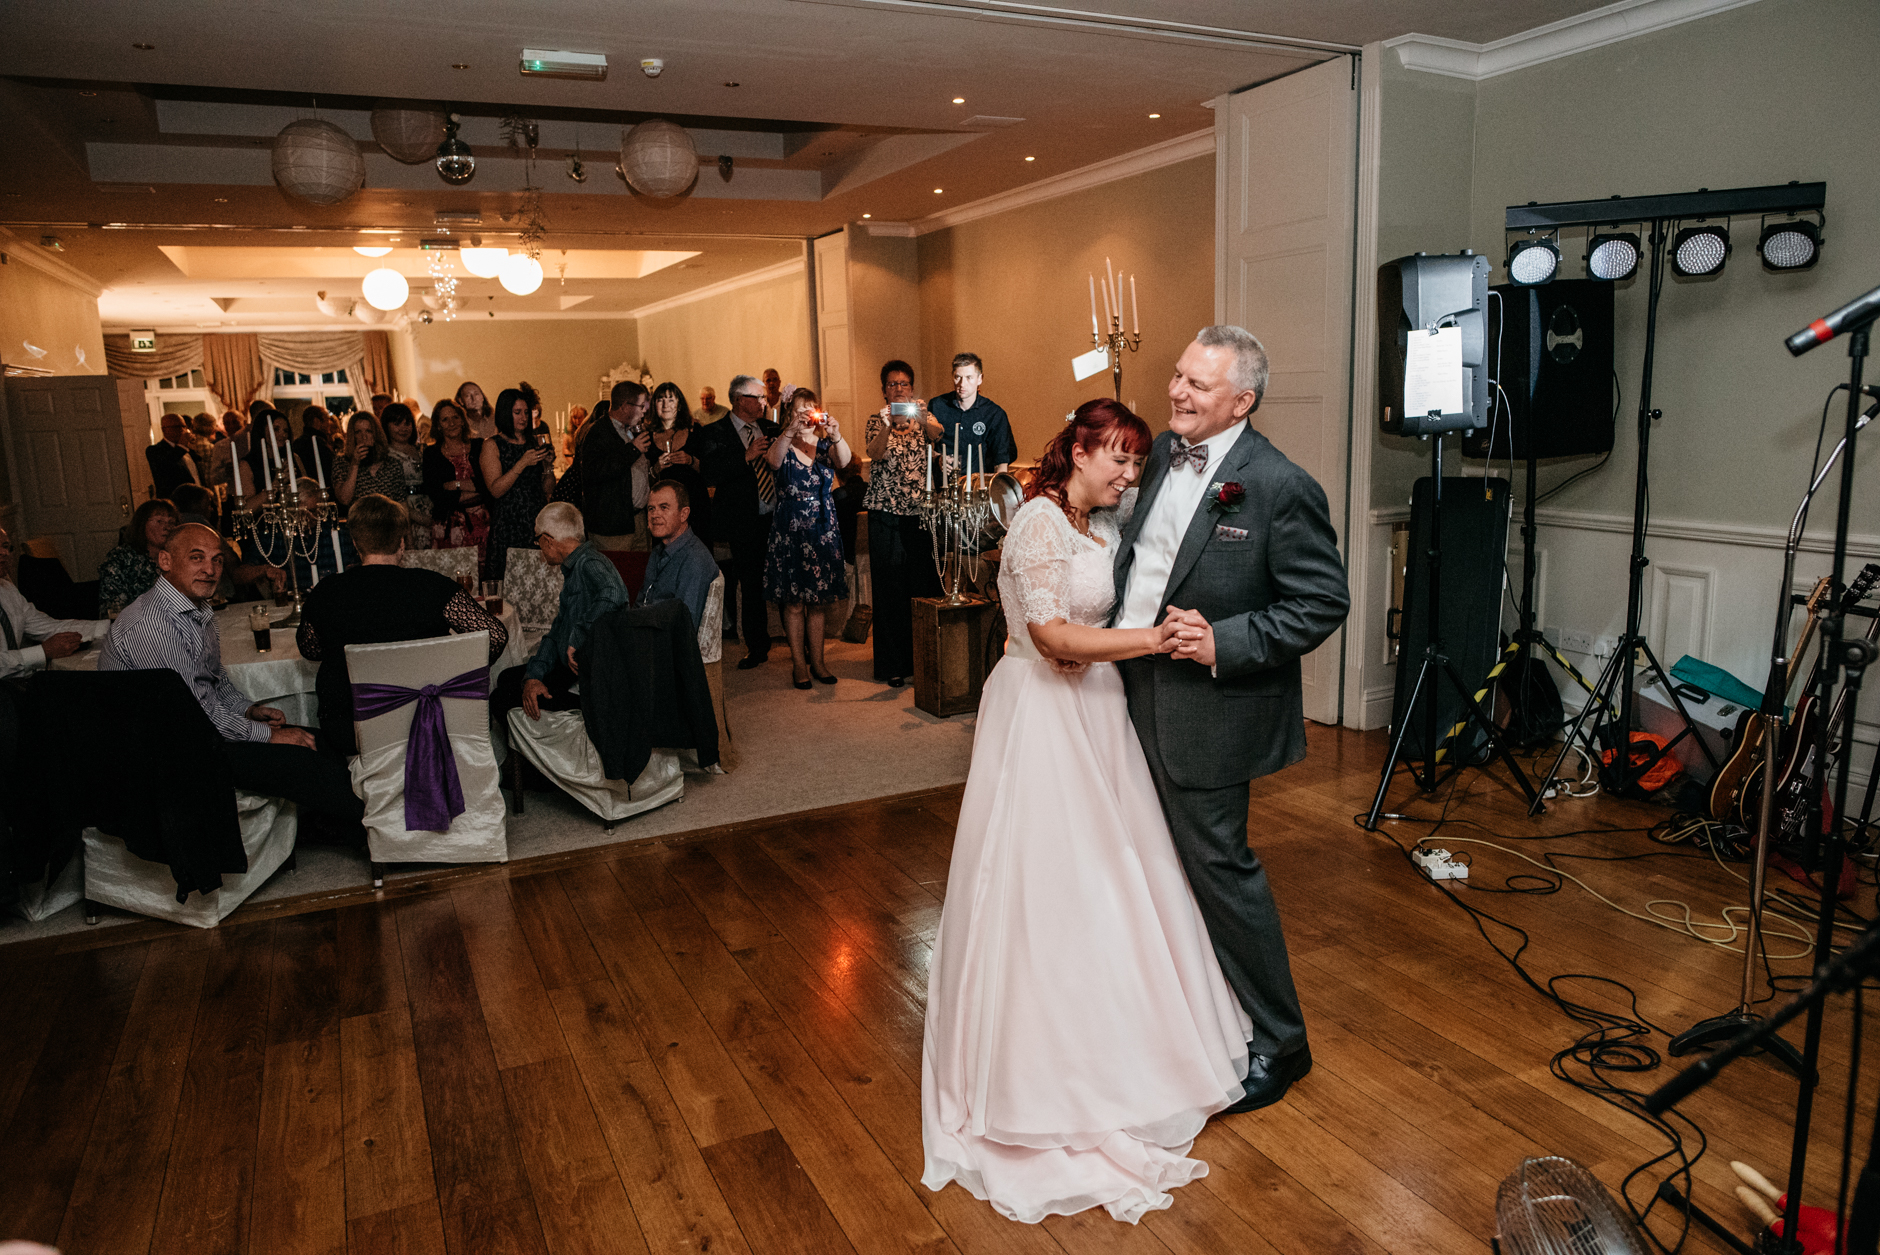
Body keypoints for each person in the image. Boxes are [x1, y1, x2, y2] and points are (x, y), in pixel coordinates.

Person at [922, 399, 1250, 1225]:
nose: (1128, 474)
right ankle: (1045, 1073)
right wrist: (1154, 643)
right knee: (1052, 890)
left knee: (1124, 876)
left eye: (1137, 462)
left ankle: (1136, 1045)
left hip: (1100, 715)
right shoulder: (1036, 523)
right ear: (1077, 448)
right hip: (1040, 715)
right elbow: (1056, 637)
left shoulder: (1100, 526)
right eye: (1118, 458)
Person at [1115, 325, 1350, 1114]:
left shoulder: (1280, 485)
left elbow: (1322, 602)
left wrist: (1227, 640)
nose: (1177, 392)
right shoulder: (1157, 454)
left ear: (1242, 401)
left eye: (1199, 386)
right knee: (1146, 857)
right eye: (1178, 375)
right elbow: (1141, 559)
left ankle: (1283, 1040)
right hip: (1130, 683)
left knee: (1220, 868)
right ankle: (1185, 1016)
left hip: (1210, 706)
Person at [98, 523, 366, 829]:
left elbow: (215, 680)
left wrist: (249, 710)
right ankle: (377, 832)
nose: (210, 570)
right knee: (300, 759)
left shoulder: (196, 610)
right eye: (196, 558)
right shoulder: (152, 624)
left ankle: (344, 827)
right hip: (165, 752)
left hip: (193, 734)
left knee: (320, 741)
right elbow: (195, 712)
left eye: (217, 560)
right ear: (165, 561)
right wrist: (269, 736)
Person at [296, 494, 506, 757]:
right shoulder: (432, 586)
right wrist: (454, 674)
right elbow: (495, 636)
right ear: (402, 544)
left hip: (353, 728)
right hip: (427, 719)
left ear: (355, 543)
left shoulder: (327, 592)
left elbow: (310, 649)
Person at [491, 503, 628, 724]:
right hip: (567, 668)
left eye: (538, 541)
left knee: (500, 698)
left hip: (589, 679)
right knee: (506, 678)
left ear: (548, 540)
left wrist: (579, 636)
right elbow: (556, 632)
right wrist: (534, 676)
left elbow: (614, 592)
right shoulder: (573, 568)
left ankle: (524, 756)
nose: (540, 548)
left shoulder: (589, 562)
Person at [763, 387, 851, 689]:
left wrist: (836, 433)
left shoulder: (825, 442)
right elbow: (772, 462)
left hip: (822, 529)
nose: (807, 414)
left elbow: (845, 461)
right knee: (794, 603)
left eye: (811, 408)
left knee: (817, 602)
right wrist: (790, 430)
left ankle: (819, 662)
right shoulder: (782, 442)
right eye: (801, 409)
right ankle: (799, 664)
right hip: (790, 529)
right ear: (790, 413)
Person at [864, 359, 944, 687]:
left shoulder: (923, 415)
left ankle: (921, 660)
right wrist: (887, 424)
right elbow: (875, 452)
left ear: (912, 388)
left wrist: (921, 416)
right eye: (893, 385)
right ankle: (892, 664)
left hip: (919, 513)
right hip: (885, 513)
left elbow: (938, 435)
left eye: (904, 384)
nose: (899, 389)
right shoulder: (876, 419)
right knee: (889, 589)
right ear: (884, 391)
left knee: (919, 585)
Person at [695, 374, 781, 669]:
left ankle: (799, 642)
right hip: (743, 520)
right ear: (738, 400)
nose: (763, 401)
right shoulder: (714, 432)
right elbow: (710, 472)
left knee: (784, 580)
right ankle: (757, 647)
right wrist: (745, 457)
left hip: (777, 517)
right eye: (756, 397)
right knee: (751, 584)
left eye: (763, 397)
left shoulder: (770, 427)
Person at [0, 526, 110, 678]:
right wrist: (42, 652)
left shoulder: (7, 589)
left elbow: (48, 626)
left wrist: (109, 627)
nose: (3, 553)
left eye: (5, 547)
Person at [481, 388, 558, 579]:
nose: (523, 418)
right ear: (505, 413)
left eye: (526, 412)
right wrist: (522, 463)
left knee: (537, 580)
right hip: (508, 521)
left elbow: (547, 490)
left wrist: (548, 466)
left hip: (535, 519)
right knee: (509, 579)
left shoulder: (534, 442)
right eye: (517, 413)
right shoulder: (492, 445)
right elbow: (495, 490)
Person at [569, 380, 649, 551]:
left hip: (639, 519)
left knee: (640, 574)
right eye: (640, 406)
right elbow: (594, 472)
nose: (644, 411)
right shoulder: (598, 433)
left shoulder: (633, 430)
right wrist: (633, 449)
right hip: (613, 525)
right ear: (626, 406)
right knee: (615, 574)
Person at [423, 398, 492, 573]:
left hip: (483, 525)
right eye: (445, 419)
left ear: (462, 419)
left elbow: (489, 486)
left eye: (455, 417)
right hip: (447, 525)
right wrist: (474, 489)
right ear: (438, 425)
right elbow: (437, 495)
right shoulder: (431, 454)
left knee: (483, 576)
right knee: (451, 578)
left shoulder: (479, 446)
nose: (451, 423)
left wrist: (456, 484)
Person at [641, 480, 719, 631]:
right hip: (646, 631)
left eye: (664, 507)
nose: (655, 514)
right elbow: (643, 601)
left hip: (664, 644)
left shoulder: (694, 560)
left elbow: (685, 626)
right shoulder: (659, 551)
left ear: (683, 514)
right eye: (651, 508)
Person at [929, 352, 1017, 473]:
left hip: (978, 486)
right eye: (957, 377)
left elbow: (1001, 462)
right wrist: (938, 459)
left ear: (980, 379)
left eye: (969, 378)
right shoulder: (937, 406)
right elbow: (922, 447)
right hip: (943, 485)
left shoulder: (994, 414)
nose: (962, 384)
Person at [647, 381, 710, 542]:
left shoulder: (695, 430)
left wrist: (690, 460)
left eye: (670, 400)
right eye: (660, 400)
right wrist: (656, 468)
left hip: (693, 502)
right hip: (662, 507)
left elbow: (711, 469)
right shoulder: (646, 435)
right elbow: (641, 477)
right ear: (654, 404)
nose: (665, 405)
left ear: (679, 404)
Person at [98, 498, 179, 616]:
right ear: (142, 524)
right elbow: (112, 610)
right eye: (159, 521)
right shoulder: (121, 559)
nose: (167, 527)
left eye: (171, 523)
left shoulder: (180, 557)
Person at [380, 403, 432, 550]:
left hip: (431, 510)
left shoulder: (423, 449)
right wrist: (416, 516)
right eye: (397, 424)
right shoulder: (385, 456)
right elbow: (389, 494)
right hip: (404, 513)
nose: (403, 428)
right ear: (386, 426)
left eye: (407, 423)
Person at [146, 414, 202, 499]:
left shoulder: (188, 450)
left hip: (197, 500)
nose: (182, 430)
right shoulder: (155, 450)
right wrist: (182, 446)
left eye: (184, 426)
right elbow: (166, 467)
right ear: (164, 429)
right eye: (177, 427)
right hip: (176, 502)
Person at [292, 407, 339, 489]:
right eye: (326, 420)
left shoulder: (297, 444)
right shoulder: (320, 445)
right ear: (317, 421)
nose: (329, 423)